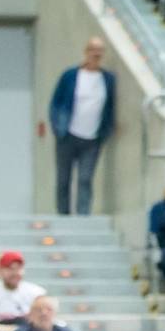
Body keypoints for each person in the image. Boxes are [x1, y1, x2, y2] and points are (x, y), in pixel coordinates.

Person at [49, 38, 115, 216]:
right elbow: (56, 102)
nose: (96, 54)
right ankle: (63, 213)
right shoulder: (70, 75)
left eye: (100, 50)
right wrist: (57, 127)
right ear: (86, 51)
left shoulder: (107, 79)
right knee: (64, 178)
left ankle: (83, 215)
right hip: (68, 135)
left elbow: (110, 107)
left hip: (92, 138)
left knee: (85, 179)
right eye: (93, 49)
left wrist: (106, 131)